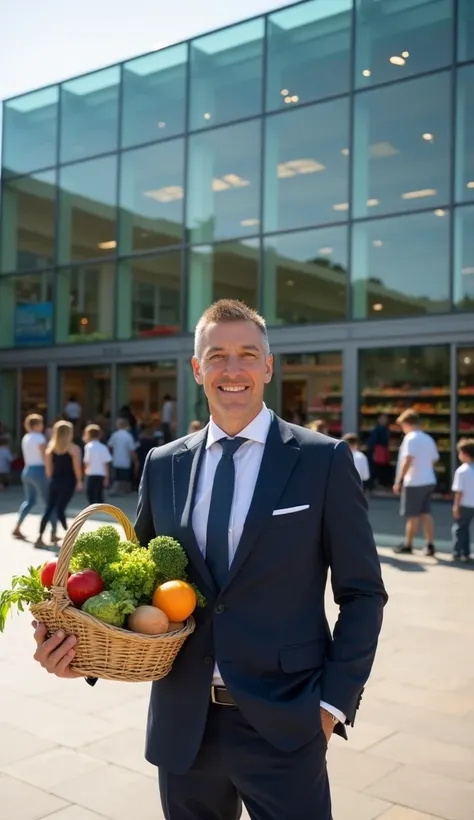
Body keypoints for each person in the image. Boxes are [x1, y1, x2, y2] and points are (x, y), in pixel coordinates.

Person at [32, 299, 387, 820]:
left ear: (268, 366)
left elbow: (363, 593)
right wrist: (79, 653)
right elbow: (136, 585)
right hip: (184, 727)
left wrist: (331, 706)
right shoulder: (165, 463)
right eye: (217, 355)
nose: (233, 368)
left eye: (247, 354)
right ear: (197, 369)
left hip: (287, 723)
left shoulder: (323, 460)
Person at [393, 408, 439, 556]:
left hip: (414, 481)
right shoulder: (428, 438)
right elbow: (434, 458)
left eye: (402, 426)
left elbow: (408, 460)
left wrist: (398, 480)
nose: (402, 429)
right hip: (428, 479)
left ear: (407, 423)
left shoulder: (410, 439)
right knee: (426, 513)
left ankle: (408, 544)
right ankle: (430, 544)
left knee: (412, 515)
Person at [36, 421, 82, 549]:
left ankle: (40, 537)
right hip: (68, 482)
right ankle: (70, 537)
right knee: (61, 509)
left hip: (55, 482)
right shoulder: (74, 449)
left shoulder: (50, 450)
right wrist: (79, 481)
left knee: (49, 508)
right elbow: (77, 468)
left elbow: (48, 471)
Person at [12, 414, 55, 540]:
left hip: (27, 470)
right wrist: (49, 470)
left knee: (30, 501)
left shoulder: (26, 437)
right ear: (36, 425)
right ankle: (52, 532)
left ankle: (18, 526)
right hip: (39, 470)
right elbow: (45, 455)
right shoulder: (39, 438)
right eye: (41, 423)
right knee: (50, 502)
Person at [451, 438, 474, 562]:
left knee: (459, 528)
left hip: (464, 504)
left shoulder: (461, 471)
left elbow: (459, 492)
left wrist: (456, 506)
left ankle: (457, 551)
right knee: (466, 528)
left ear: (464, 454)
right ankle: (466, 553)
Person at [83, 424, 112, 505]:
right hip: (101, 473)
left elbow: (86, 461)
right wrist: (107, 477)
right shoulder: (103, 447)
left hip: (90, 473)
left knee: (90, 493)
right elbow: (106, 463)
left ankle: (91, 508)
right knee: (99, 493)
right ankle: (100, 508)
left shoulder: (88, 447)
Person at [108, 418, 138, 495]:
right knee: (125, 477)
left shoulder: (115, 435)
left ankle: (116, 489)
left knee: (117, 476)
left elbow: (110, 447)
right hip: (125, 460)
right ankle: (125, 490)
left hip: (116, 459)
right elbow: (131, 450)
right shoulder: (128, 436)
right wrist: (135, 461)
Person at [367, 414, 391, 488]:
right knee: (378, 468)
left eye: (385, 419)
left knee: (378, 468)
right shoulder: (380, 429)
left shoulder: (382, 429)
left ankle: (376, 483)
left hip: (379, 452)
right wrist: (374, 452)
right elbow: (373, 442)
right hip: (378, 452)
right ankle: (377, 483)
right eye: (382, 419)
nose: (384, 420)